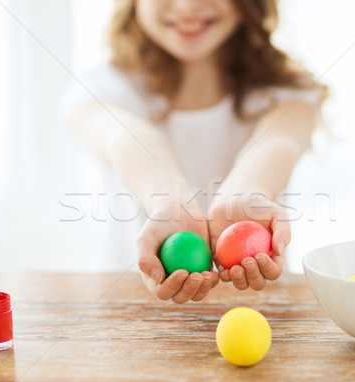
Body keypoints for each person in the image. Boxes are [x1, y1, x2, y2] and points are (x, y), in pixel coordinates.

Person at [62, 0, 327, 303]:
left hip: (261, 306)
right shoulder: (101, 87)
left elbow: (275, 144)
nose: (188, 6)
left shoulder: (289, 91)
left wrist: (241, 196)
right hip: (128, 306)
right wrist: (170, 202)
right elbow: (128, 139)